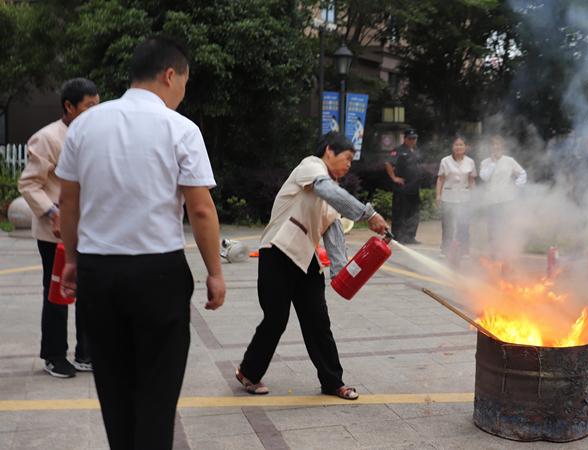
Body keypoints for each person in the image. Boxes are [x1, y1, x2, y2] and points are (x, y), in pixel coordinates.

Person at [56, 35, 226, 449]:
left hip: (99, 272)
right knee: (157, 391)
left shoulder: (85, 125)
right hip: (158, 274)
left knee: (113, 386)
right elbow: (201, 210)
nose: (184, 93)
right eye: (184, 83)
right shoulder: (180, 128)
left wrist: (73, 262)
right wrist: (215, 273)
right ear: (170, 75)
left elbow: (69, 203)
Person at [236, 131, 388, 400]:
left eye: (352, 161)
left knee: (318, 321)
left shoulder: (335, 193)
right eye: (347, 158)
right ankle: (249, 371)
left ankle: (332, 382)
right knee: (276, 319)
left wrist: (343, 275)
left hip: (307, 261)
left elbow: (334, 234)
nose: (349, 164)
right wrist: (369, 214)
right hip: (278, 252)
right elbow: (324, 189)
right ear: (329, 151)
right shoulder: (311, 167)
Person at [18, 78, 99, 378]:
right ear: (69, 106)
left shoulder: (93, 135)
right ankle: (53, 354)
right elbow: (29, 183)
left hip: (88, 230)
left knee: (88, 291)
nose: (94, 111)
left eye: (96, 105)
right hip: (55, 232)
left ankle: (86, 352)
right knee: (57, 293)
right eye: (88, 105)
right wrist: (53, 213)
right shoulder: (47, 138)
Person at [480, 135, 526, 258]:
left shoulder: (509, 160)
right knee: (492, 227)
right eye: (492, 144)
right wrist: (493, 164)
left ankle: (506, 250)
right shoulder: (485, 162)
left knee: (505, 225)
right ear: (489, 147)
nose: (495, 146)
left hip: (506, 198)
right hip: (490, 200)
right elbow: (484, 177)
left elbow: (522, 173)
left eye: (497, 144)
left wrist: (517, 184)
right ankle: (494, 251)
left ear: (502, 146)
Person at [436, 135, 477, 259]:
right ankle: (445, 250)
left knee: (463, 225)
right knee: (447, 225)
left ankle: (464, 250)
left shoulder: (470, 162)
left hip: (464, 198)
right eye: (456, 145)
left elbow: (471, 180)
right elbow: (440, 179)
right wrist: (438, 195)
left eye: (461, 145)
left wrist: (474, 196)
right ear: (452, 147)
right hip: (448, 197)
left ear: (466, 147)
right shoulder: (445, 161)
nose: (459, 147)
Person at [385, 128, 422, 244]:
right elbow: (388, 163)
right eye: (410, 138)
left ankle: (410, 237)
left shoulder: (415, 150)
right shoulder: (399, 150)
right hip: (402, 189)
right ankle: (398, 238)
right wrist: (394, 178)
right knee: (400, 213)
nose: (412, 141)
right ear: (404, 139)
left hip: (414, 189)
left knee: (414, 213)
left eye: (414, 138)